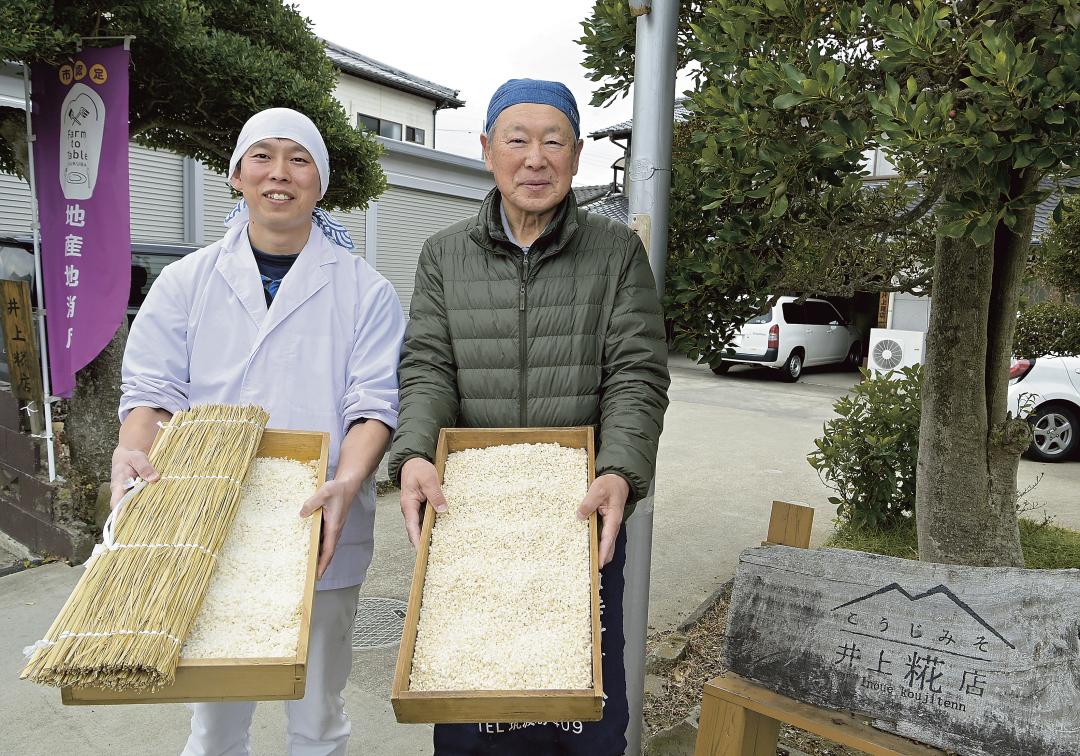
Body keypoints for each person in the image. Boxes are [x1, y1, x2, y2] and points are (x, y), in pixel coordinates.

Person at [388, 79, 670, 755]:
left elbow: (636, 374)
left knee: (585, 700)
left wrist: (619, 472)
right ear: (488, 150)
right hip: (472, 514)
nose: (535, 158)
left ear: (576, 157)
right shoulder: (444, 254)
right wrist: (417, 452)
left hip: (578, 510)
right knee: (472, 693)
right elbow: (428, 367)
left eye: (554, 141)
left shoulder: (615, 252)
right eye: (517, 139)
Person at [113, 107, 405, 756]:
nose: (280, 173)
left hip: (320, 523)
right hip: (211, 518)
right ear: (236, 175)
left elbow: (374, 404)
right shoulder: (185, 285)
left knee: (318, 715)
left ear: (321, 183)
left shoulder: (366, 292)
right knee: (215, 719)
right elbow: (154, 395)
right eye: (263, 156)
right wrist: (134, 450)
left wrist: (347, 479)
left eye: (299, 159)